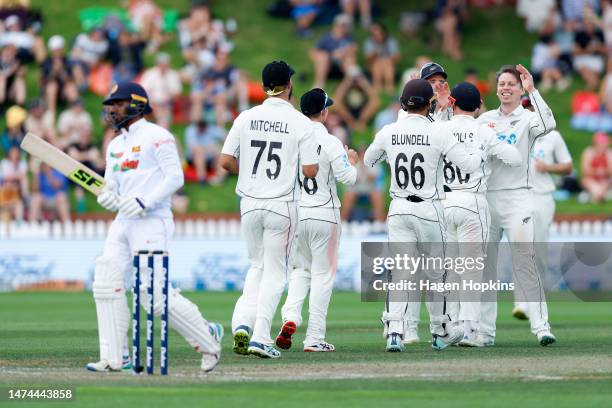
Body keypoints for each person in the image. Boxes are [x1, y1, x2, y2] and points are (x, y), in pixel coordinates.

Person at [88, 82, 223, 373]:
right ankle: (115, 356)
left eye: (118, 103)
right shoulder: (115, 145)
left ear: (136, 104)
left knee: (152, 297)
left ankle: (208, 339)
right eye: (110, 105)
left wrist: (144, 201)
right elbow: (110, 185)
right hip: (123, 222)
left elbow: (175, 178)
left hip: (152, 220)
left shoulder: (158, 136)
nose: (112, 110)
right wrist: (107, 197)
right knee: (105, 282)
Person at [364, 79, 485, 352]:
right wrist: (479, 152)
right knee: (436, 274)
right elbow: (466, 163)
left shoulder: (389, 130)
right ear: (428, 104)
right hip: (429, 207)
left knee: (401, 272)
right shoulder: (438, 131)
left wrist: (391, 155)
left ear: (402, 103)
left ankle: (395, 331)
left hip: (398, 207)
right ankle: (439, 330)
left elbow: (369, 161)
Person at [219, 60, 319, 359]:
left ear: (264, 86)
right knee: (277, 272)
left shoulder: (246, 116)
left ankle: (241, 324)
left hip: (249, 203)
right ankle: (261, 337)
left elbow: (225, 161)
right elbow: (311, 170)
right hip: (281, 204)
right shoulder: (301, 122)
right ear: (289, 85)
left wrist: (250, 173)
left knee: (257, 267)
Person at [477, 64, 557, 347]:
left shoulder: (528, 119)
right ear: (496, 88)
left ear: (520, 88)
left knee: (525, 262)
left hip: (518, 198)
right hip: (488, 198)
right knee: (486, 267)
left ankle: (541, 327)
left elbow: (549, 124)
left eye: (512, 84)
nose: (506, 88)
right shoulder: (484, 120)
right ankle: (485, 333)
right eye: (502, 84)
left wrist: (533, 89)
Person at [439, 82, 522, 346]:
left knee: (452, 269)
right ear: (478, 108)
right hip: (473, 201)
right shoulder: (483, 130)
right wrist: (494, 143)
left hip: (445, 202)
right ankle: (471, 331)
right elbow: (515, 158)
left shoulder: (441, 128)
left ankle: (449, 327)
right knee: (474, 269)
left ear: (453, 104)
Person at [277, 88, 358, 352]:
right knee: (323, 276)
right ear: (323, 112)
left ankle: (290, 317)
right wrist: (352, 161)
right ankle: (314, 337)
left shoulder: (292, 139)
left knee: (300, 271)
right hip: (325, 213)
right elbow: (349, 178)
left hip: (297, 213)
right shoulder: (331, 141)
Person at [512, 96, 573, 320]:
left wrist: (548, 166)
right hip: (519, 195)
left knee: (539, 250)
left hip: (543, 196)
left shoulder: (552, 136)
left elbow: (568, 167)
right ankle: (521, 302)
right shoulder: (514, 132)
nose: (527, 111)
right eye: (524, 107)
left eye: (530, 107)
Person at [309, 14, 356, 88]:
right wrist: (327, 55)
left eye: (345, 26)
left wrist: (343, 53)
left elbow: (353, 50)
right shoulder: (326, 38)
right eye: (340, 25)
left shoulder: (349, 38)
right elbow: (313, 52)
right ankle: (319, 85)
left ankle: (350, 85)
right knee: (323, 57)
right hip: (327, 66)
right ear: (335, 25)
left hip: (343, 66)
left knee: (349, 59)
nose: (342, 28)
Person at [139, 52, 182, 129]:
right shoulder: (149, 73)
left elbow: (177, 94)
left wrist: (165, 101)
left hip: (166, 104)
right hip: (149, 103)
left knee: (163, 114)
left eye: (165, 63)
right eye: (161, 63)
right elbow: (142, 91)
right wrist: (152, 102)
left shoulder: (173, 75)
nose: (163, 66)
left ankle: (161, 133)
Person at [363, 23, 400, 93]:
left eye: (379, 34)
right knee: (378, 63)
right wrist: (375, 54)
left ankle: (387, 85)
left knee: (386, 62)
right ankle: (380, 85)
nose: (377, 36)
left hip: (389, 64)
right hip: (373, 65)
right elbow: (368, 60)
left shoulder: (391, 41)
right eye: (375, 35)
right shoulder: (369, 42)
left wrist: (387, 60)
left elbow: (397, 57)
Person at [580, 132, 611, 203]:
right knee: (590, 183)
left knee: (606, 183)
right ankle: (599, 195)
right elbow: (584, 171)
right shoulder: (588, 152)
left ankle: (596, 196)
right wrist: (597, 172)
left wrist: (603, 172)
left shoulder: (609, 153)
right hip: (591, 180)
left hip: (605, 181)